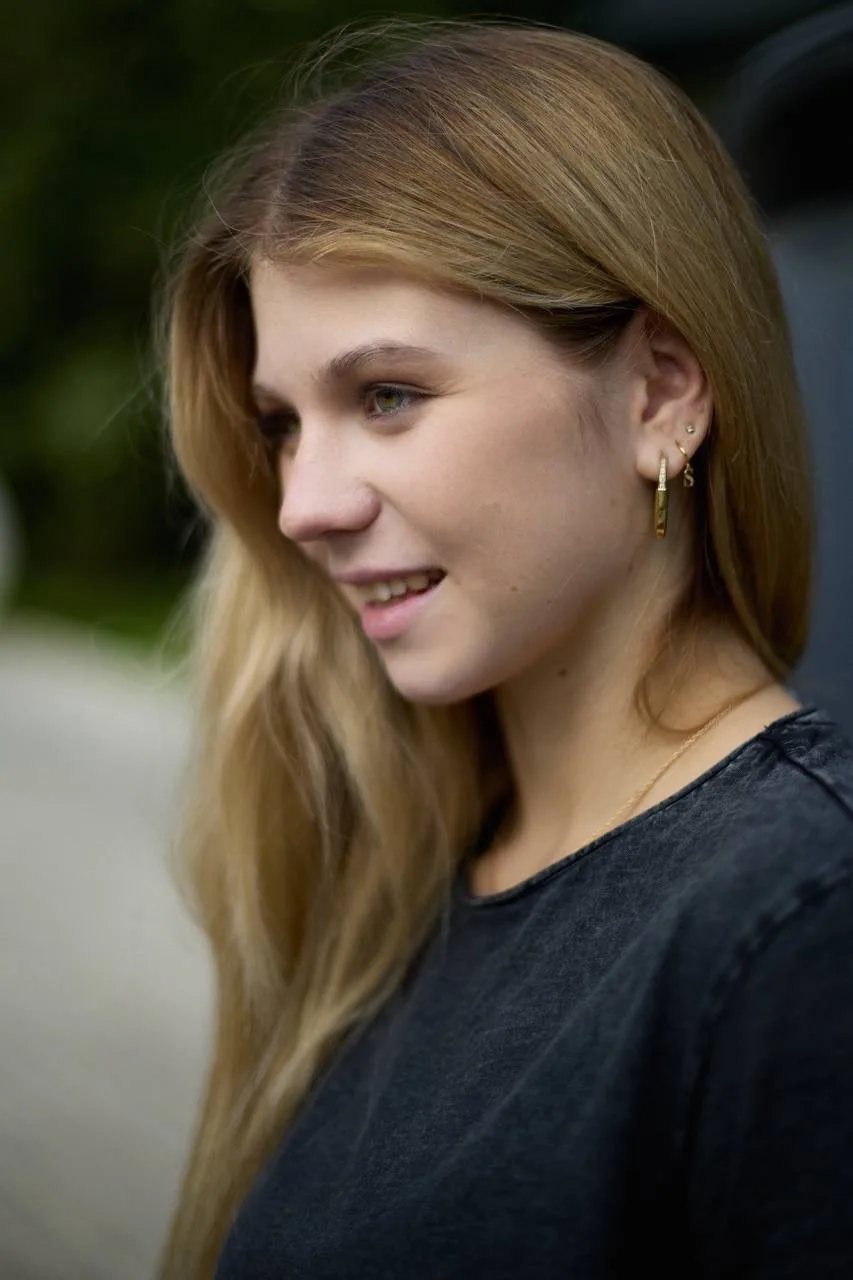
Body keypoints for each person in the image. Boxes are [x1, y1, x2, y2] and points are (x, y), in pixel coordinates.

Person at [158, 18, 853, 1280]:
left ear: (659, 394)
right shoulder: (404, 873)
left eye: (387, 395)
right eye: (281, 422)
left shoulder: (801, 922)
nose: (302, 503)